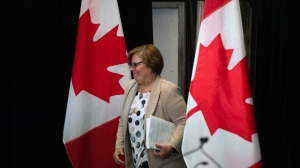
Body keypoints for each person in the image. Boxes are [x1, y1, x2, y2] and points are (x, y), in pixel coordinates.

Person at [113, 44, 187, 168]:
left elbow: (184, 121)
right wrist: (119, 144)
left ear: (151, 65)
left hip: (162, 161)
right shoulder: (130, 87)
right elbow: (124, 119)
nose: (132, 68)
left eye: (136, 64)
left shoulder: (168, 90)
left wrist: (171, 146)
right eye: (131, 64)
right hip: (137, 160)